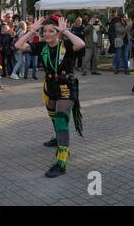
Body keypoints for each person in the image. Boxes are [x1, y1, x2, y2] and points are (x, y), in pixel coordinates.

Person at [15, 14, 85, 178]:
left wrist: (65, 31)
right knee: (54, 117)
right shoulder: (41, 46)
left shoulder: (66, 45)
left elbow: (80, 44)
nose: (47, 34)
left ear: (57, 32)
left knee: (61, 118)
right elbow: (18, 44)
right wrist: (31, 31)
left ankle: (61, 162)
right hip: (50, 87)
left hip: (66, 86)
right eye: (45, 31)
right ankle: (58, 139)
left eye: (51, 31)